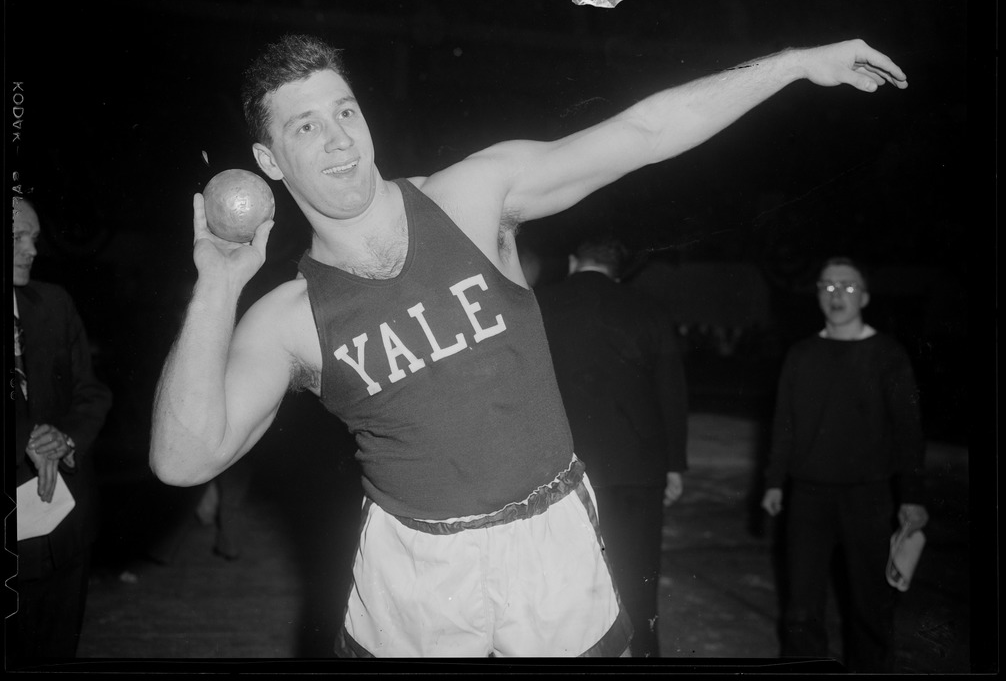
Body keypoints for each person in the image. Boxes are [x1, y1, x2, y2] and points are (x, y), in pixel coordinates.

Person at [149, 33, 908, 659]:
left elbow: (643, 134)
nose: (339, 137)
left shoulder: (474, 196)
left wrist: (797, 64)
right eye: (305, 125)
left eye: (344, 109)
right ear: (271, 162)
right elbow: (184, 459)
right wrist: (216, 283)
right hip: (416, 570)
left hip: (549, 540)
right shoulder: (288, 318)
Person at [760, 256, 928, 672]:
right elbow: (784, 423)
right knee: (801, 608)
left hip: (867, 496)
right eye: (827, 286)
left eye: (848, 287)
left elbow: (908, 430)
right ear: (817, 293)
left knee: (871, 605)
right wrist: (774, 482)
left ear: (866, 296)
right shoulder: (802, 354)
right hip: (808, 497)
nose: (837, 295)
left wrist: (911, 496)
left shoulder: (887, 354)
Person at [536, 237, 688, 658]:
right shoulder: (647, 308)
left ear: (572, 261)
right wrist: (674, 464)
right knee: (639, 581)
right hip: (638, 473)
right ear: (617, 269)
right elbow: (671, 391)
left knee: (568, 588)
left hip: (564, 474)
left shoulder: (540, 304)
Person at [9, 197, 112, 666]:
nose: (30, 250)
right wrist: (25, 439)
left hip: (65, 530)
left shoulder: (53, 303)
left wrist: (64, 437)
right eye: (16, 238)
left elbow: (90, 393)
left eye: (32, 237)